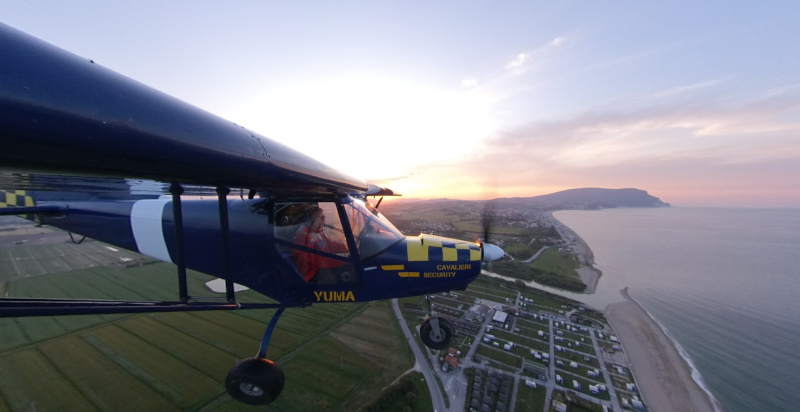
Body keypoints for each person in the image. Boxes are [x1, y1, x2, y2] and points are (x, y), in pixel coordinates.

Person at [293, 206, 350, 282]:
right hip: (313, 276)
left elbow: (331, 245)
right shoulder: (303, 239)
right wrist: (345, 259)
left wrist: (348, 248)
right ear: (312, 220)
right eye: (322, 218)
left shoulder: (318, 233)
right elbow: (321, 261)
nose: (324, 220)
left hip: (323, 270)